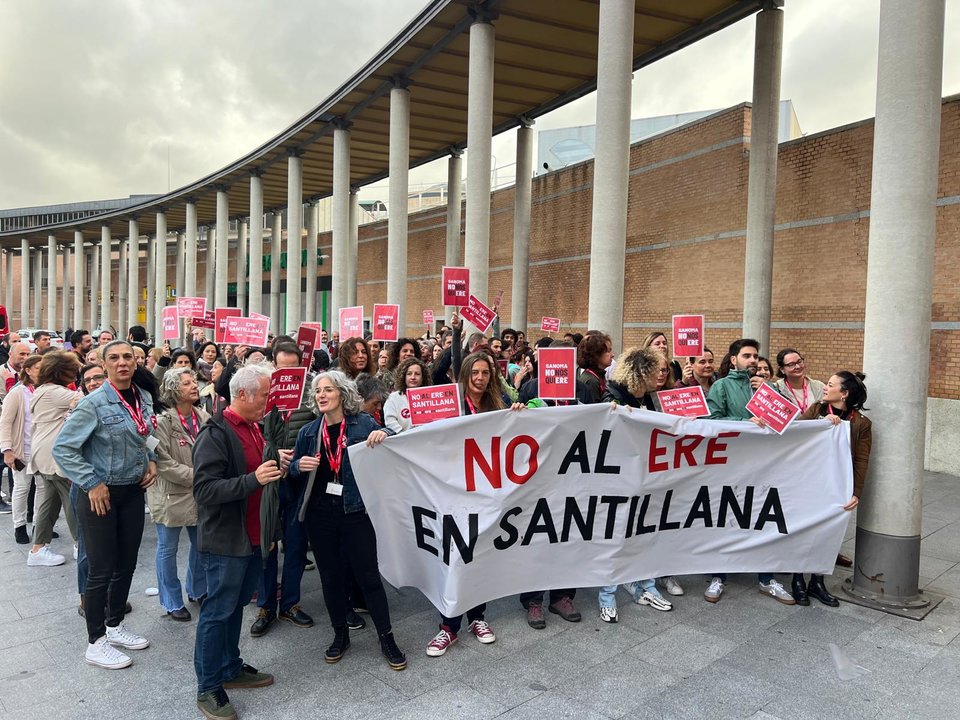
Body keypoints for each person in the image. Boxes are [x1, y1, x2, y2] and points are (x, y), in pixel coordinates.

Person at [288, 371, 407, 670]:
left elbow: (392, 438)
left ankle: (387, 637)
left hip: (355, 511)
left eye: (328, 389)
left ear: (342, 393)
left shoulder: (362, 424)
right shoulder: (308, 432)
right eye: (317, 391)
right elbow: (292, 471)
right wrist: (296, 466)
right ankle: (340, 634)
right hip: (320, 515)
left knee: (368, 577)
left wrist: (385, 434)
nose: (321, 395)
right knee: (330, 578)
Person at [53, 340, 158, 670]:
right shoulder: (93, 403)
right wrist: (92, 482)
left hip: (131, 492)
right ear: (104, 364)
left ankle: (114, 626)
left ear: (136, 362)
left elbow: (146, 435)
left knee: (126, 563)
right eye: (114, 358)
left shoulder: (143, 398)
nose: (123, 362)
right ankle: (95, 641)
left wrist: (151, 460)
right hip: (98, 494)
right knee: (100, 569)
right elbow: (63, 449)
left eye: (128, 356)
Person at [192, 362, 286, 719]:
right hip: (227, 541)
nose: (268, 400)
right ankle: (208, 687)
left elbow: (257, 472)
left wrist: (277, 463)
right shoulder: (215, 432)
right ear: (242, 394)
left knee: (234, 608)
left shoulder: (253, 427)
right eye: (263, 394)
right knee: (217, 612)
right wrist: (253, 479)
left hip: (252, 539)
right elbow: (204, 489)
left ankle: (230, 667)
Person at [426, 352, 519, 657]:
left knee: (480, 558)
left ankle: (477, 618)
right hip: (453, 493)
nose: (480, 378)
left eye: (485, 373)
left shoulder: (498, 406)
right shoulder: (451, 405)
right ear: (464, 375)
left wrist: (519, 415)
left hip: (487, 494)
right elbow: (423, 435)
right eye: (475, 373)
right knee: (455, 557)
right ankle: (448, 626)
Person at [704, 338, 795, 605]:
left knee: (762, 520)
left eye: (755, 356)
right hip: (731, 464)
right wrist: (746, 422)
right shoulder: (721, 386)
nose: (753, 360)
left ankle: (766, 580)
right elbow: (712, 419)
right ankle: (718, 576)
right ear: (733, 360)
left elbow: (787, 418)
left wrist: (769, 392)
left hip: (764, 465)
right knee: (725, 519)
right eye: (747, 356)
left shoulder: (767, 388)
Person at [598, 347, 674, 622]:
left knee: (647, 536)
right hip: (620, 483)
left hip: (648, 479)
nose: (661, 376)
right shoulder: (613, 395)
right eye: (657, 371)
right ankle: (607, 596)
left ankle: (647, 587)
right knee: (616, 540)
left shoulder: (652, 398)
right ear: (642, 372)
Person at [250, 343, 315, 639]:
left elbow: (319, 434)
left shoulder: (313, 394)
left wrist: (298, 458)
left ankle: (290, 602)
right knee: (266, 545)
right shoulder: (260, 396)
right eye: (281, 367)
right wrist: (275, 454)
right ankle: (265, 605)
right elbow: (250, 438)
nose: (287, 373)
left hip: (298, 482)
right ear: (273, 365)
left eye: (293, 368)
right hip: (269, 480)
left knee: (296, 545)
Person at [792, 371, 871, 607]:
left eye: (830, 385)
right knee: (804, 530)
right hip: (809, 482)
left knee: (828, 533)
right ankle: (797, 579)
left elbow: (861, 460)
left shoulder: (861, 424)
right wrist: (820, 424)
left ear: (844, 393)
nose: (825, 388)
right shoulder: (817, 410)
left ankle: (817, 581)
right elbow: (795, 434)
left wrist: (856, 492)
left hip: (837, 486)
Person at [149, 367, 210, 621]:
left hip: (200, 495)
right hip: (171, 495)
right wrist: (202, 477)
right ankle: (172, 601)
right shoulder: (162, 422)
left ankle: (197, 590)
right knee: (167, 549)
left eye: (194, 381)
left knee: (201, 545)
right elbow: (163, 464)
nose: (194, 386)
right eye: (187, 383)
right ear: (174, 390)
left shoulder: (205, 416)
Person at [27, 351, 83, 566]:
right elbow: (88, 402)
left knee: (49, 503)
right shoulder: (55, 392)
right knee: (72, 500)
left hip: (44, 452)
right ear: (62, 371)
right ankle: (81, 544)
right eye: (73, 369)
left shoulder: (43, 390)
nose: (76, 373)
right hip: (55, 454)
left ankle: (38, 548)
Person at [0, 355, 45, 547]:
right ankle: (19, 526)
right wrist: (7, 450)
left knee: (43, 490)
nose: (42, 371)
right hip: (22, 449)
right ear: (28, 370)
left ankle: (39, 525)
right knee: (22, 487)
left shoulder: (45, 390)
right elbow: (6, 422)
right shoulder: (17, 393)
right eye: (38, 368)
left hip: (42, 450)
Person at [383, 357, 430, 434]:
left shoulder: (430, 397)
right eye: (409, 374)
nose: (413, 377)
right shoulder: (393, 398)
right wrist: (405, 436)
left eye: (417, 374)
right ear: (403, 377)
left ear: (423, 378)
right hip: (402, 441)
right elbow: (390, 421)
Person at [774, 348, 825, 414]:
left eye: (799, 362)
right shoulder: (776, 389)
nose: (797, 367)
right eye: (791, 364)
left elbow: (825, 411)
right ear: (782, 369)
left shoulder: (819, 387)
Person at [577, 332, 613, 404]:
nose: (612, 355)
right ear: (596, 354)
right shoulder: (591, 381)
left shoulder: (598, 376)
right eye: (608, 351)